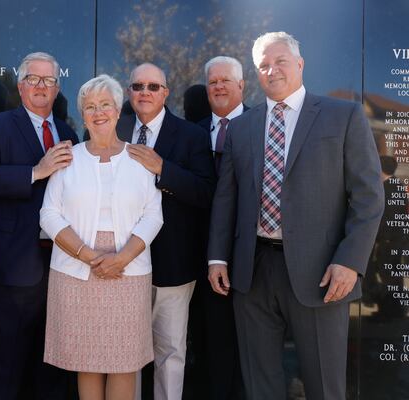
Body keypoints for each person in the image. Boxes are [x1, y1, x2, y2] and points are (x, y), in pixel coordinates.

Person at [208, 32, 384, 400]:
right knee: (260, 385)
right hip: (252, 272)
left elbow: (368, 198)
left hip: (322, 274)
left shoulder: (343, 116)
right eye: (263, 66)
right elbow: (226, 197)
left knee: (324, 386)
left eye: (280, 61)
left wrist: (350, 262)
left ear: (300, 64)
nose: (272, 71)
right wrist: (218, 256)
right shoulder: (241, 128)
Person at [40, 74, 163, 400]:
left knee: (124, 363)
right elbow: (49, 214)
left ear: (118, 108)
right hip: (76, 271)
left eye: (105, 104)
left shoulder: (139, 158)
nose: (99, 112)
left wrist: (119, 259)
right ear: (83, 114)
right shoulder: (68, 157)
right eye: (90, 106)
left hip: (128, 271)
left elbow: (154, 214)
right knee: (87, 361)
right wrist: (90, 257)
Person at [0, 52, 79, 400]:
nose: (41, 87)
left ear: (58, 88)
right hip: (12, 266)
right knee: (6, 365)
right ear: (20, 85)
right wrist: (35, 171)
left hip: (61, 265)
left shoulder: (68, 131)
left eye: (49, 81)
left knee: (52, 367)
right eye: (34, 79)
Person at [118, 63, 216, 400]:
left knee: (171, 351)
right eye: (138, 86)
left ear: (166, 92)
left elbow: (205, 192)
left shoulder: (192, 136)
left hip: (173, 263)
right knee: (123, 352)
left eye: (153, 87)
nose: (145, 92)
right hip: (120, 262)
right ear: (129, 92)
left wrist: (163, 169)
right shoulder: (111, 129)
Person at [192, 55, 247, 400]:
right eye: (213, 82)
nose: (219, 87)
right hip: (199, 259)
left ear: (242, 85)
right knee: (206, 346)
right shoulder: (192, 132)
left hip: (249, 259)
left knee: (245, 350)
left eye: (226, 80)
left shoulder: (262, 125)